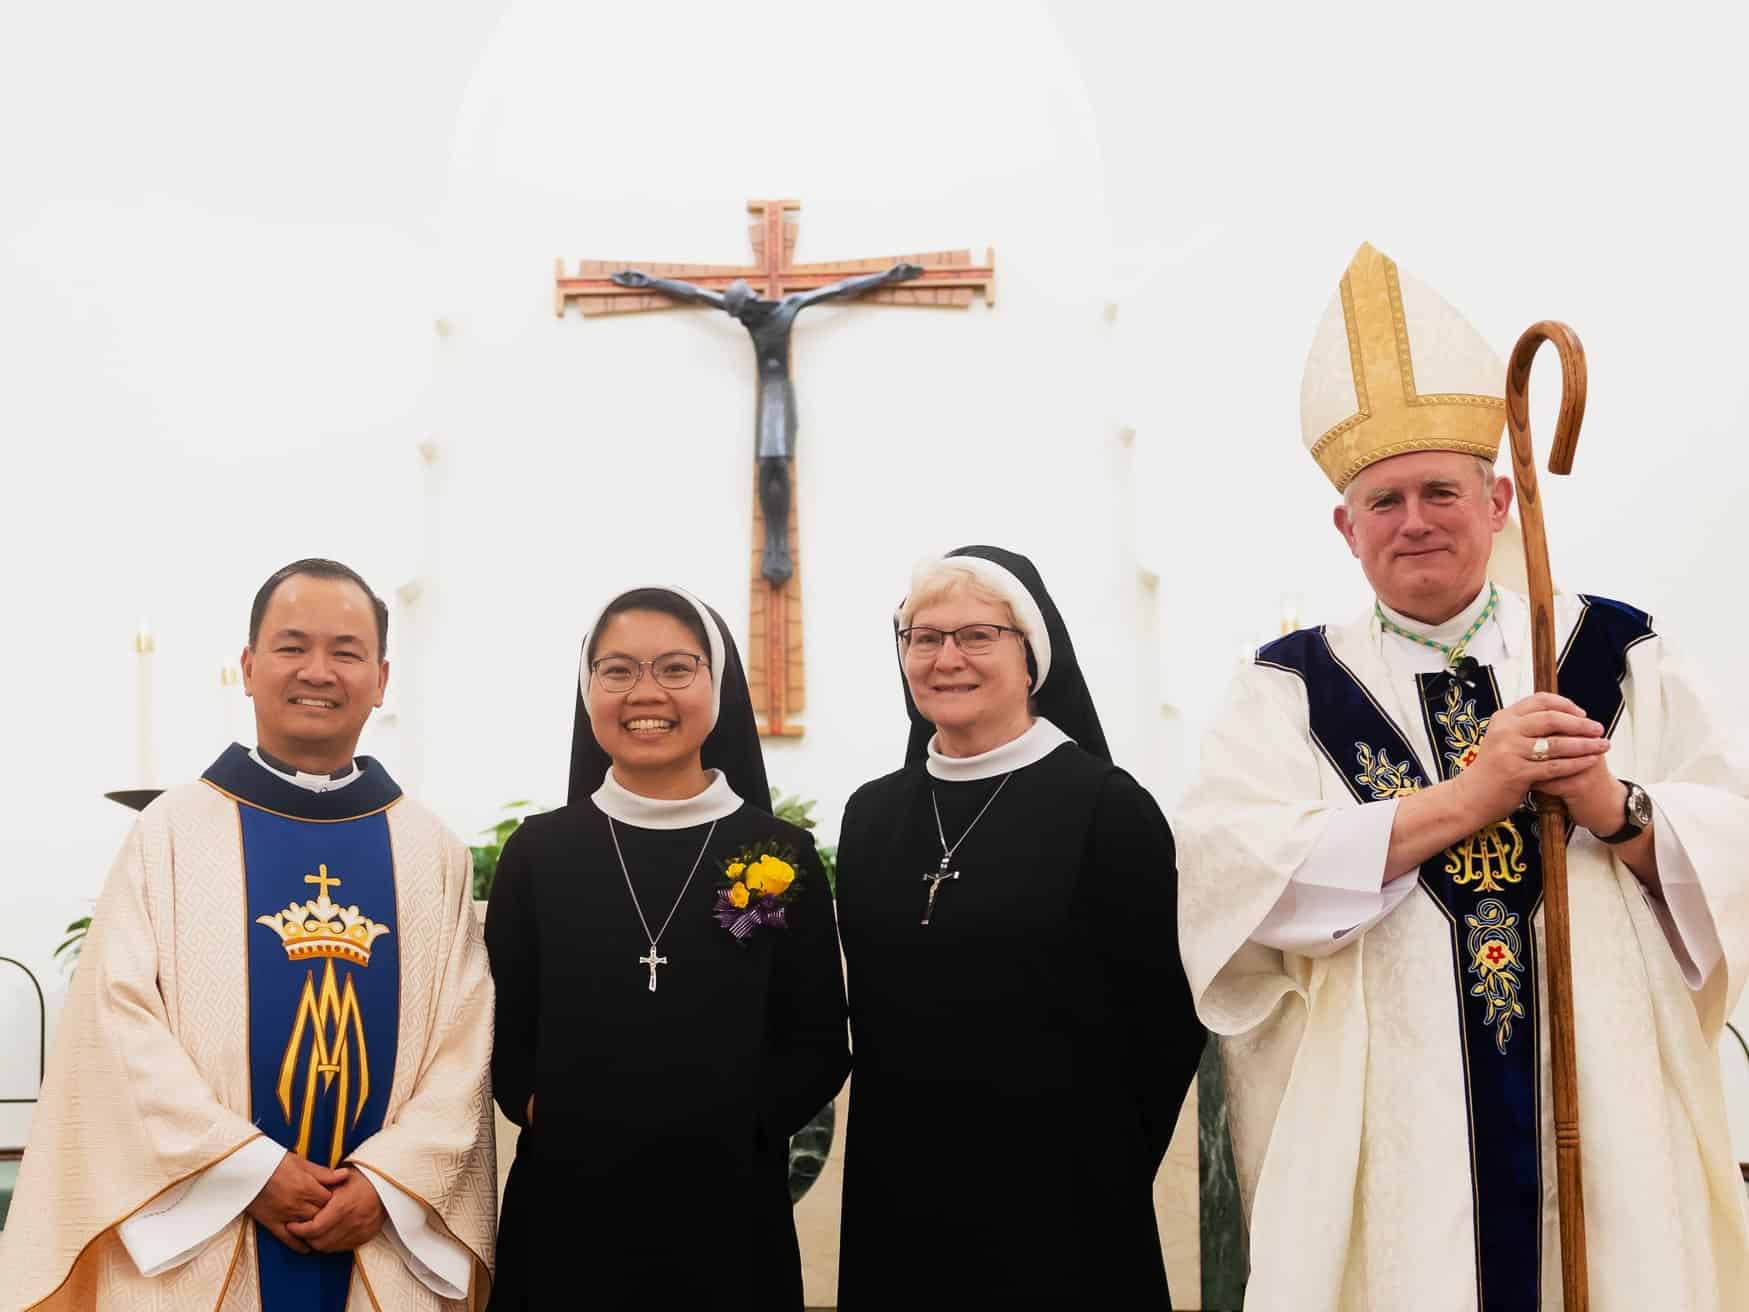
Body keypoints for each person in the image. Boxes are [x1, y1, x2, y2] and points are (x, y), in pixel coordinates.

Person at [1177, 243, 1749, 1310]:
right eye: (1383, 500)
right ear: (1346, 529)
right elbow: (1233, 876)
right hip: (1394, 1123)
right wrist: (1463, 800)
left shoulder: (1613, 651)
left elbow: (1732, 843)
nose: (1414, 520)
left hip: (1606, 1102)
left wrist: (1615, 808)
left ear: (1496, 501)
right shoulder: (1285, 687)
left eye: (1440, 490)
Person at [0, 558, 497, 1311]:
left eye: (346, 651)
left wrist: (387, 1182)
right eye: (292, 646)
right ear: (249, 666)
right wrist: (247, 1169)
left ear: (382, 678)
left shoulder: (431, 850)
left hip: (379, 1240)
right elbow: (117, 1025)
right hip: (205, 1250)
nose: (317, 671)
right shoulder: (170, 832)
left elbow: (465, 1045)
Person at [833, 546, 1204, 1310]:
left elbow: (1164, 1025)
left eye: (977, 635)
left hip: (1063, 1203)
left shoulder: (1106, 808)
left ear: (1031, 656)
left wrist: (1098, 1167)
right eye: (924, 637)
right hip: (899, 1196)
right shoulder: (870, 815)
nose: (946, 659)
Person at [484, 586, 849, 1311]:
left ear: (719, 686)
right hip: (568, 1211)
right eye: (617, 670)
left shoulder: (776, 855)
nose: (645, 693)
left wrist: (734, 1128)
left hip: (728, 1214)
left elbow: (815, 1041)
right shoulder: (538, 853)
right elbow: (501, 1025)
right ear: (588, 689)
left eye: (676, 668)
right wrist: (547, 1110)